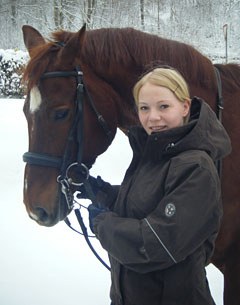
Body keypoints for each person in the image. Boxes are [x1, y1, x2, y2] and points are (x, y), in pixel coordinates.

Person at [80, 67, 231, 305]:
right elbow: (148, 201)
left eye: (164, 106)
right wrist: (104, 193)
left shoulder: (196, 168)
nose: (153, 118)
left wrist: (102, 224)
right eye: (144, 108)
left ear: (184, 107)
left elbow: (156, 244)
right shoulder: (156, 152)